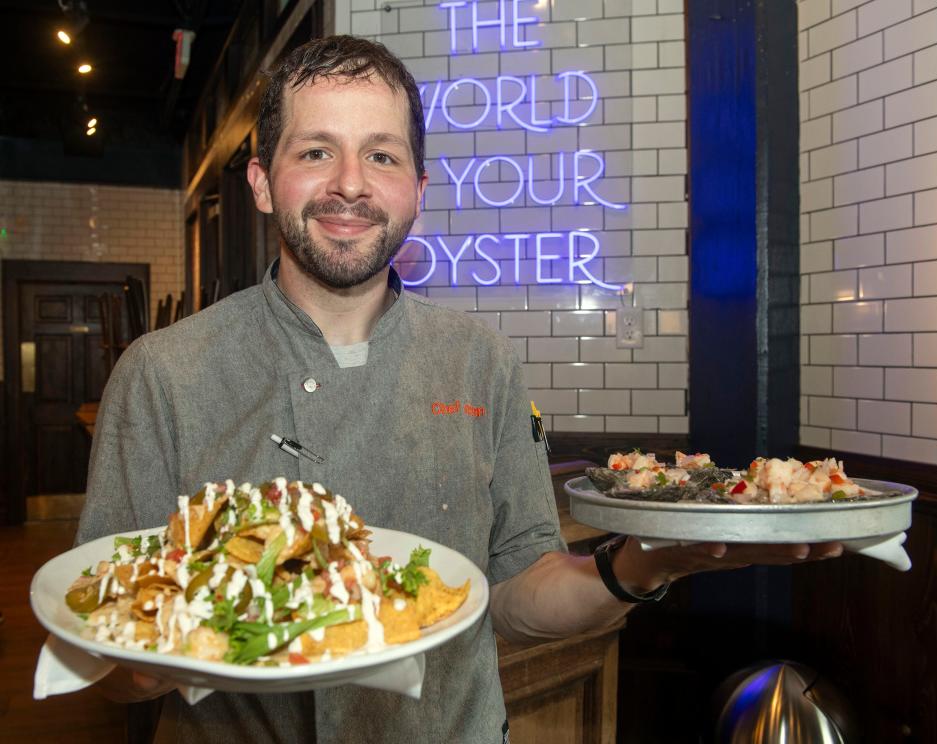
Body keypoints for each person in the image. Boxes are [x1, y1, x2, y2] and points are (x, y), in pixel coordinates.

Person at [77, 35, 841, 743]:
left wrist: (649, 564)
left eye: (381, 156)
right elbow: (101, 648)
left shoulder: (482, 362)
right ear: (263, 183)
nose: (351, 184)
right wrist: (140, 661)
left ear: (417, 188)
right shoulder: (162, 373)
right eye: (316, 151)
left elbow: (516, 594)